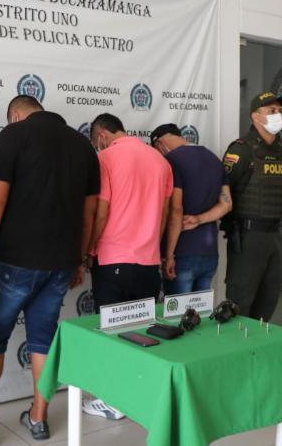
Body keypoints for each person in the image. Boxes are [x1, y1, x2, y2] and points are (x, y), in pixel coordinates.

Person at [0, 95, 99, 444]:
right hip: (60, 264)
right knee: (43, 339)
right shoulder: (83, 145)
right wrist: (81, 259)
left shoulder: (15, 134)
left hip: (13, 261)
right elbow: (89, 213)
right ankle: (38, 419)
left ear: (14, 115)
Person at [82, 113, 172, 420]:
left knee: (112, 332)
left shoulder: (105, 158)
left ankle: (112, 401)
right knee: (140, 331)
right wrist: (151, 245)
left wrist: (89, 249)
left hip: (113, 259)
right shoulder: (160, 161)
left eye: (95, 140)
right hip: (148, 261)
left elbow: (102, 212)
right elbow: (164, 214)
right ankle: (137, 395)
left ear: (102, 135)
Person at [221, 92, 282, 322]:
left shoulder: (281, 152)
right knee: (240, 301)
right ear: (256, 117)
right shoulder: (241, 150)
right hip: (249, 235)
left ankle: (258, 349)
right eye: (271, 111)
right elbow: (225, 190)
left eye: (279, 111)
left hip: (275, 234)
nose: (278, 116)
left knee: (269, 298)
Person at [150, 124, 232, 295]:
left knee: (179, 317)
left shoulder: (172, 160)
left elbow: (176, 210)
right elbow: (227, 204)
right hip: (209, 253)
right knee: (200, 317)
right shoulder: (214, 158)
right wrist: (199, 219)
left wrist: (169, 256)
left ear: (160, 143)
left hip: (182, 253)